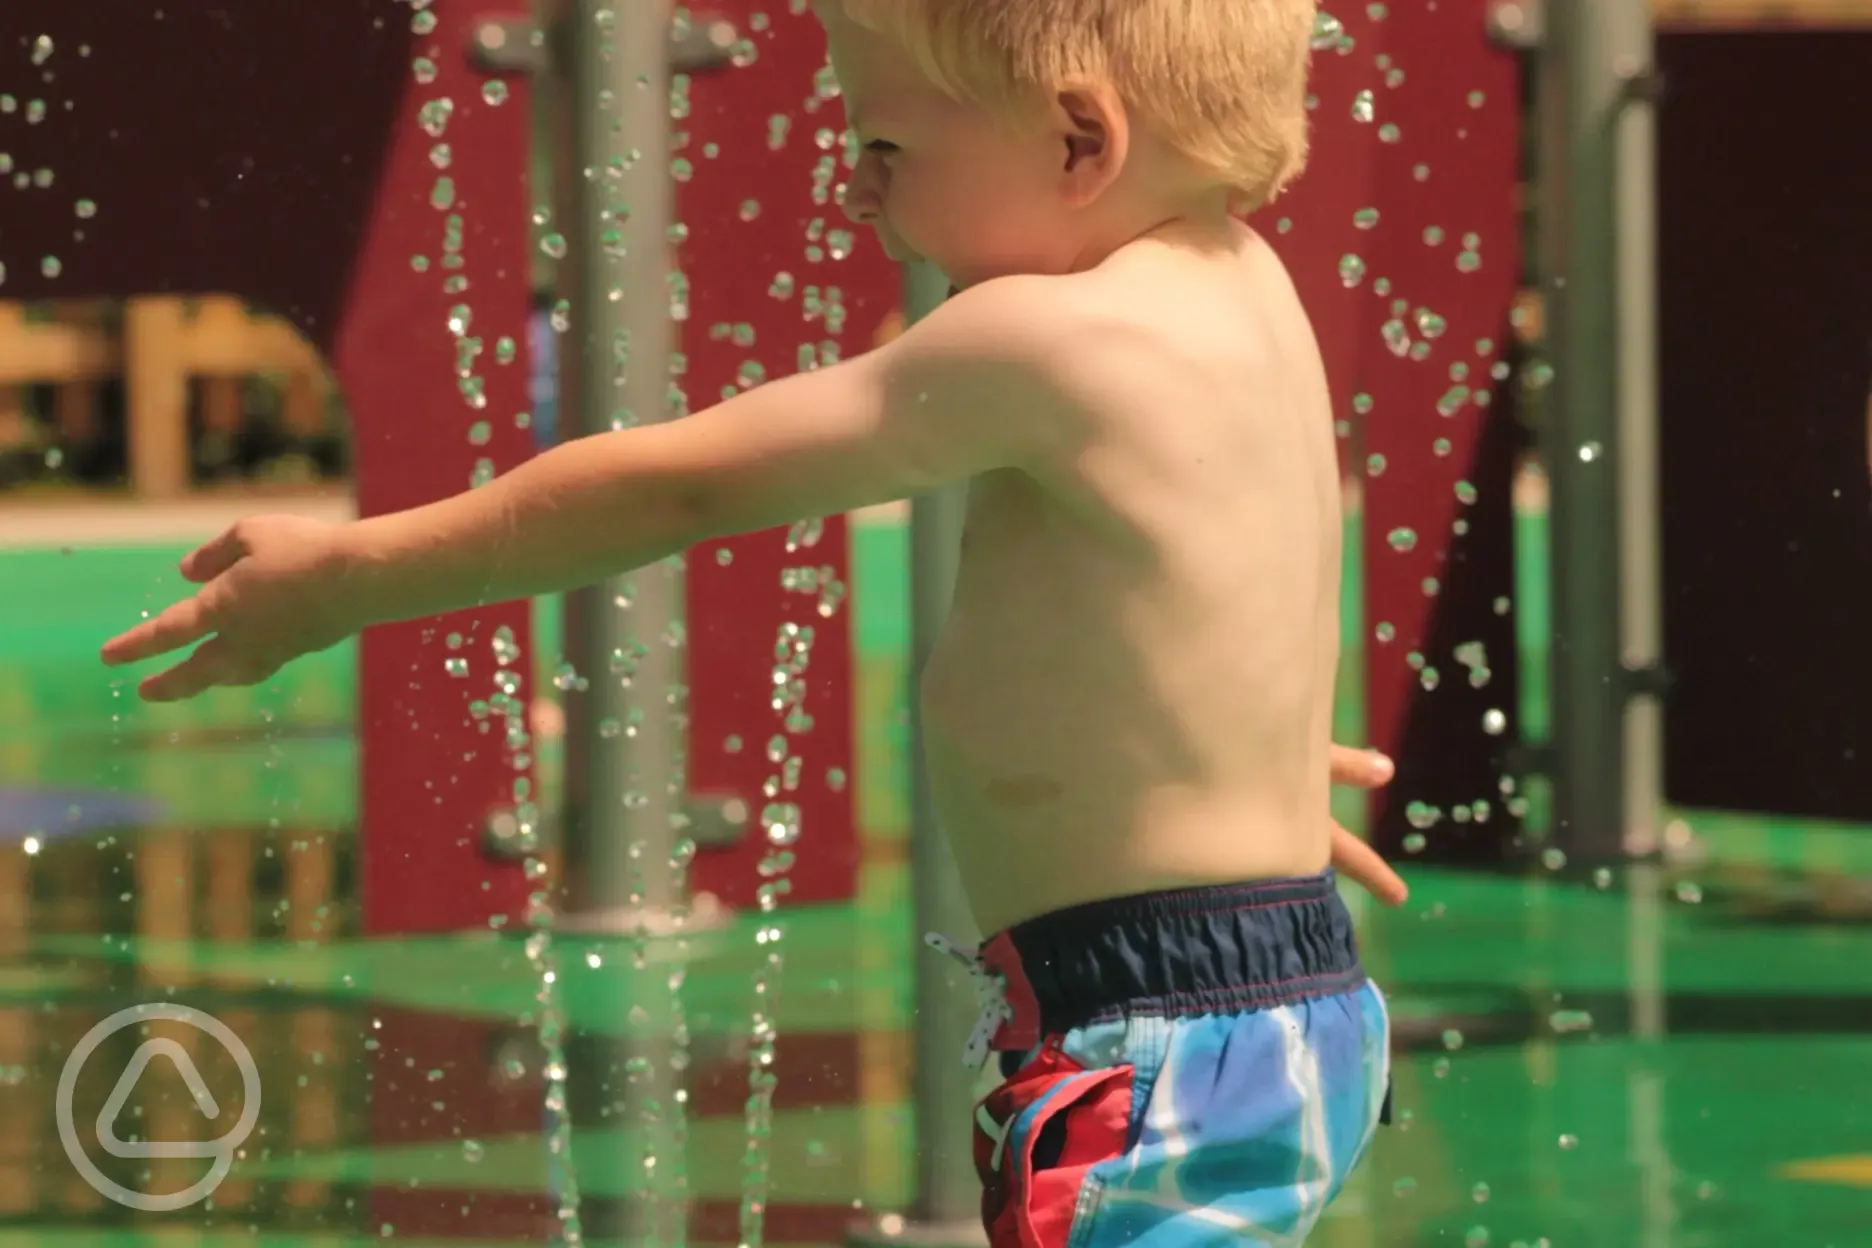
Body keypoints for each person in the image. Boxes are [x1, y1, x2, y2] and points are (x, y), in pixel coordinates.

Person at [104, 0, 1406, 1240]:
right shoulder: (1247, 291)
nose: (860, 190)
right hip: (1270, 990)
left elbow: (684, 481)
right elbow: (1223, 584)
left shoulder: (1050, 340)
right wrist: (1244, 771)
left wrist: (349, 579)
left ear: (1081, 139)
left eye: (886, 143)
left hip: (1155, 1038)